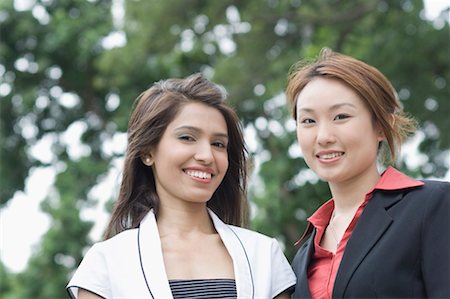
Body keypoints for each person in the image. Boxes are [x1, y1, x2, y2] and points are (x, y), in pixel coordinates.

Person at [66, 73, 296, 299]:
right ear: (147, 152)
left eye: (218, 144)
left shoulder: (264, 255)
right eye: (187, 137)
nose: (207, 156)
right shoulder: (107, 263)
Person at [285, 48, 449, 298]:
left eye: (340, 116)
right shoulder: (302, 256)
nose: (324, 137)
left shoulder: (433, 205)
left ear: (382, 126)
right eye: (308, 121)